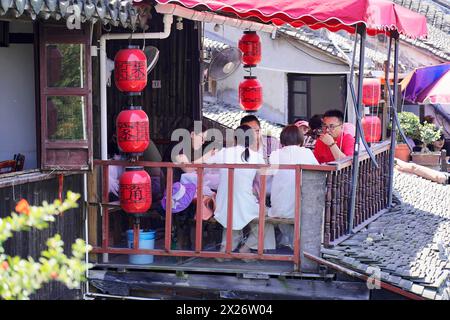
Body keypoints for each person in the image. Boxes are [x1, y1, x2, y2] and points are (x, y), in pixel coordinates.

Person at [205, 125, 275, 258]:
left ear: (235, 138)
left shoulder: (223, 152)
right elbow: (263, 181)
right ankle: (246, 247)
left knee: (232, 213)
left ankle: (226, 250)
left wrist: (211, 153)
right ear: (252, 140)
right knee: (268, 217)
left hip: (223, 204)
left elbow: (205, 166)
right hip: (246, 204)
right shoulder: (256, 157)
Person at [268, 125, 319, 248]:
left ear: (282, 139)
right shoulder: (307, 153)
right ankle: (297, 243)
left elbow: (272, 173)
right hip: (301, 207)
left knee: (278, 211)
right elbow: (318, 171)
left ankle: (290, 241)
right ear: (300, 139)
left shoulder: (275, 154)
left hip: (278, 208)